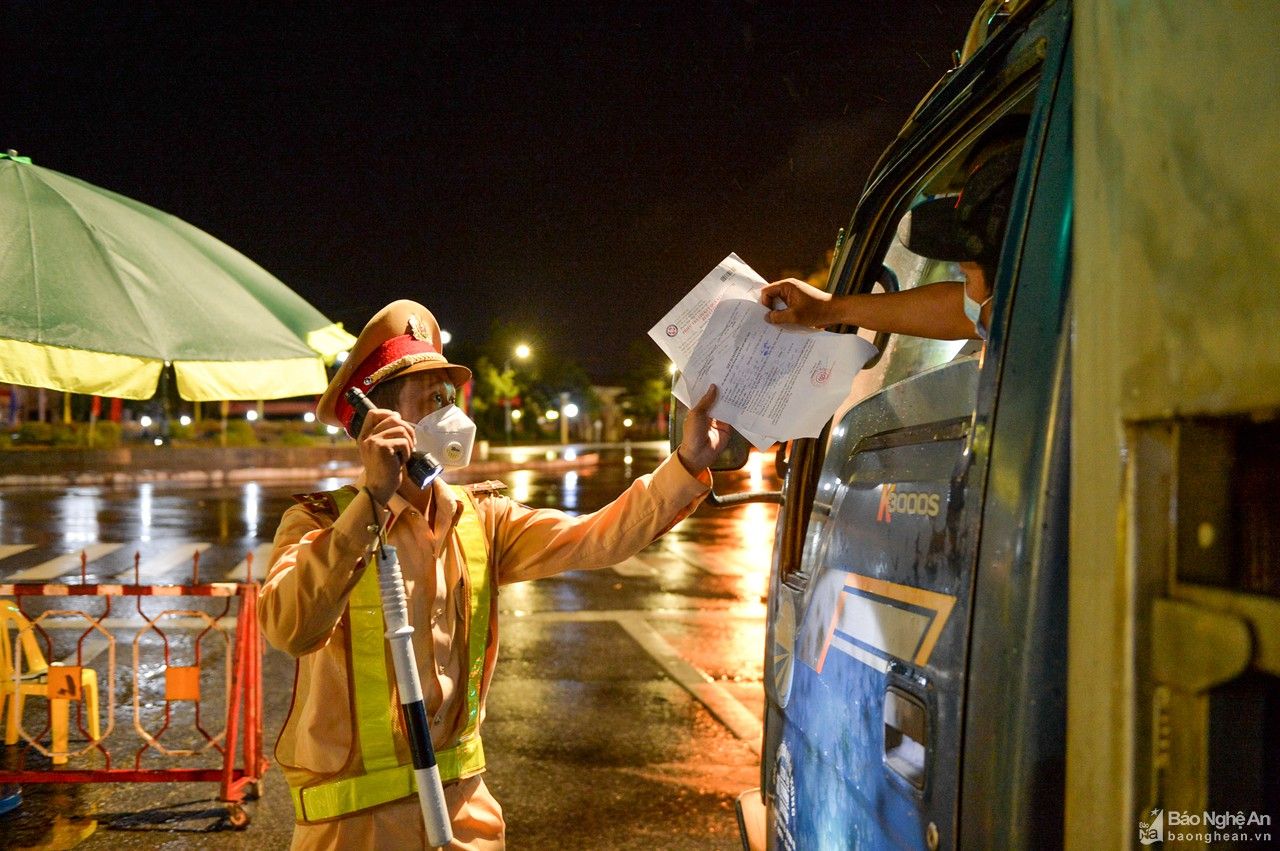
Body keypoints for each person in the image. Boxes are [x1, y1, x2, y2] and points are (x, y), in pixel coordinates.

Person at [259, 300, 727, 850]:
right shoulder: (322, 523)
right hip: (355, 829)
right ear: (378, 421)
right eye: (429, 399)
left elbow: (598, 537)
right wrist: (372, 502)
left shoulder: (480, 518)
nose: (447, 412)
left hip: (463, 819)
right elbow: (290, 628)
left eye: (448, 396)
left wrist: (686, 463)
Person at [760, 133, 1024, 342]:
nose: (960, 278)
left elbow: (965, 314)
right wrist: (829, 308)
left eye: (967, 276)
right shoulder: (1035, 313)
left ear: (1011, 282)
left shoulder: (1046, 373)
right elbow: (955, 313)